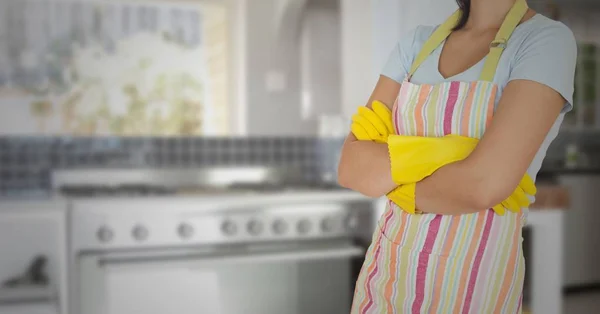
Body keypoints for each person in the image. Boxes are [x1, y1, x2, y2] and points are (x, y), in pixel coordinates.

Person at [337, 0, 577, 313]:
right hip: (385, 282)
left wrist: (396, 181)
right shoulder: (415, 44)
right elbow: (351, 169)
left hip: (475, 287)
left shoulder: (546, 41)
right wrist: (459, 152)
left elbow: (482, 185)